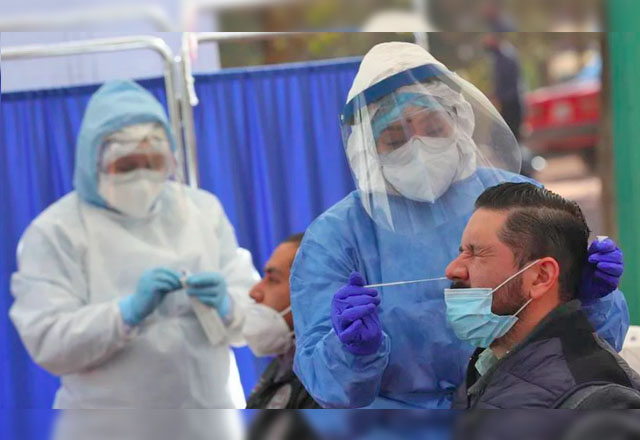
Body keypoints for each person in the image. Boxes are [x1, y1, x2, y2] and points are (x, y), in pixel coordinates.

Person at [290, 42, 628, 409]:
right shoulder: (336, 237)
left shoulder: (515, 200)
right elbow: (327, 386)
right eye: (396, 138)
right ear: (367, 150)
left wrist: (589, 298)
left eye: (433, 127)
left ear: (458, 120)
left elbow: (587, 343)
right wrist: (350, 351)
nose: (418, 146)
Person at [10, 81, 258, 432]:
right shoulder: (56, 231)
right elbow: (48, 341)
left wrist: (228, 305)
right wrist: (124, 314)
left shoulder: (201, 210)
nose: (142, 176)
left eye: (153, 163)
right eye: (126, 165)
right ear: (93, 162)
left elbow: (256, 314)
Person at [448, 182, 640, 409]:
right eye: (462, 252)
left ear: (540, 277)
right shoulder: (486, 364)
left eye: (477, 253)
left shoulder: (598, 404)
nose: (452, 269)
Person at [244, 233, 320, 409]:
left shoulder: (326, 384)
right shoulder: (284, 363)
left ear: (313, 293)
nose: (254, 292)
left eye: (273, 279)